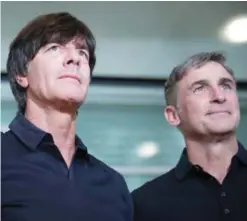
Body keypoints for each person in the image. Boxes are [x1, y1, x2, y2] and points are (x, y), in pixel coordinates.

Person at [1, 12, 133, 221]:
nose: (75, 59)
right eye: (55, 48)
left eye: (83, 53)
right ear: (22, 75)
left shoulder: (113, 183)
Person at [132, 52, 247, 221]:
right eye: (200, 88)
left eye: (226, 85)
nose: (219, 96)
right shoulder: (144, 204)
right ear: (173, 115)